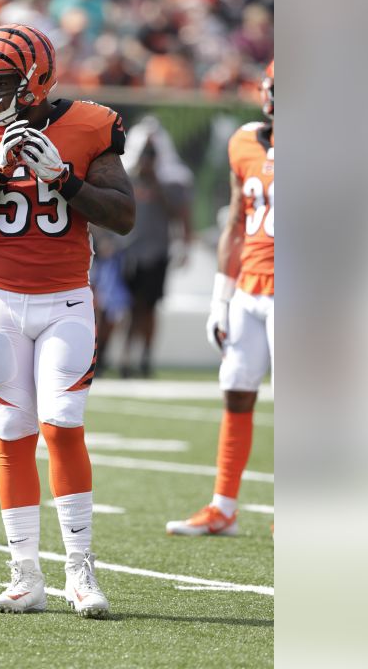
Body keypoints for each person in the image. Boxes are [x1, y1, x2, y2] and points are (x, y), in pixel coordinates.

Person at [0, 24, 135, 617]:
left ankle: (80, 573)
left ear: (35, 81)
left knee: (63, 425)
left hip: (66, 300)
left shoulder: (92, 126)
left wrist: (65, 180)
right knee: (11, 435)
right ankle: (25, 575)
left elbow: (122, 216)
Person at [167, 60, 273, 536]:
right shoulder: (245, 141)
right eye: (273, 86)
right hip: (250, 287)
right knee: (235, 388)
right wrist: (220, 298)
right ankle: (223, 507)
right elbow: (234, 222)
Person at [118, 117, 192, 378]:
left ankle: (145, 358)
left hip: (157, 251)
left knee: (149, 308)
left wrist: (156, 182)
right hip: (130, 250)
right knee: (128, 307)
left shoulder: (171, 181)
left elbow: (179, 214)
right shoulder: (127, 178)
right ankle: (125, 357)